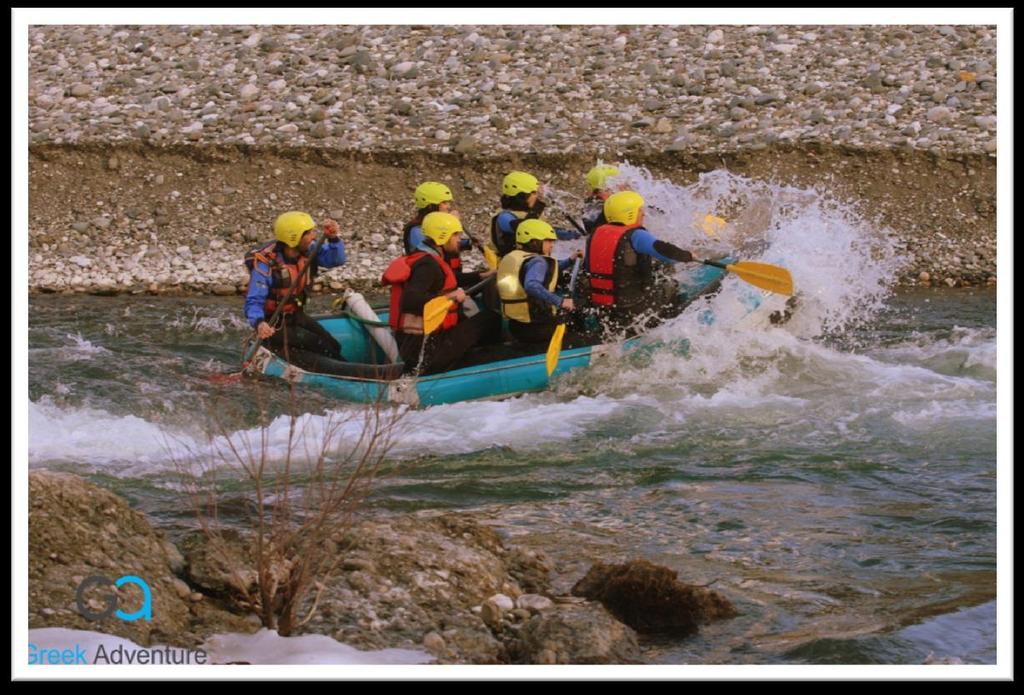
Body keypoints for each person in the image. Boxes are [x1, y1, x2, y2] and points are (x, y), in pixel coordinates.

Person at [382, 211, 501, 375]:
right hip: (426, 349)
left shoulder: (425, 257)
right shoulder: (428, 265)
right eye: (456, 235)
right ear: (442, 237)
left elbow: (446, 280)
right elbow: (409, 301)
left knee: (466, 319)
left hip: (419, 342)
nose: (459, 239)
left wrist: (481, 275)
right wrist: (450, 297)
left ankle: (470, 356)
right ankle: (493, 362)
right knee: (491, 318)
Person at [584, 190, 697, 338]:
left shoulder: (594, 235)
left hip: (604, 308)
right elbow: (663, 251)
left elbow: (588, 268)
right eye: (640, 210)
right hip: (634, 306)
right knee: (671, 285)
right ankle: (669, 326)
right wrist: (688, 256)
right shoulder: (637, 235)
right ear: (630, 213)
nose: (643, 214)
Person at [244, 211, 348, 369]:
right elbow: (253, 301)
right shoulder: (266, 265)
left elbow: (336, 259)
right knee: (318, 344)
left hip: (296, 316)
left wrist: (334, 238)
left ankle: (341, 366)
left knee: (333, 345)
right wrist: (259, 324)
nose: (313, 236)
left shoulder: (309, 250)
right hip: (275, 324)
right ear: (294, 237)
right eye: (308, 233)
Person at [496, 219, 584, 347]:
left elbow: (548, 271)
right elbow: (532, 285)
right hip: (538, 328)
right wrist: (561, 301)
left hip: (516, 325)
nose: (551, 245)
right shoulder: (538, 261)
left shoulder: (513, 257)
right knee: (577, 314)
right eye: (548, 241)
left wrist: (570, 260)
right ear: (534, 241)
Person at [490, 170, 581, 259]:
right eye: (533, 193)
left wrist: (575, 235)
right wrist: (538, 207)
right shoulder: (504, 217)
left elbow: (544, 232)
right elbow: (525, 227)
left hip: (533, 262)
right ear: (520, 196)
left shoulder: (527, 213)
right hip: (513, 267)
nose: (536, 196)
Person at [581, 164, 621, 234]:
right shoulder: (603, 208)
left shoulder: (591, 204)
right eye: (618, 183)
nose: (622, 186)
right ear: (607, 187)